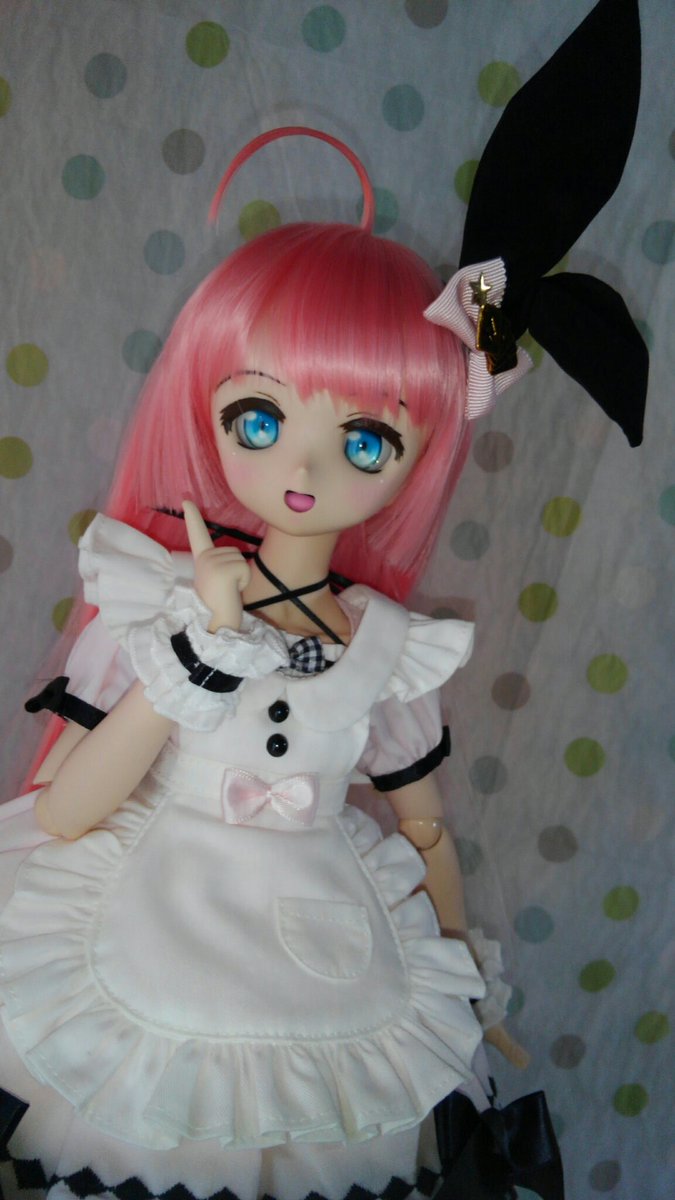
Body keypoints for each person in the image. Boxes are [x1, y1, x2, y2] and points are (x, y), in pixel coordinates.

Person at [0, 130, 512, 1200]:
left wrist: (460, 973)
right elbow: (66, 812)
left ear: (423, 457)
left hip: (324, 947)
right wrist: (202, 647)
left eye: (366, 442)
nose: (304, 466)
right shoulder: (163, 602)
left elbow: (424, 828)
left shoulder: (389, 649)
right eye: (261, 418)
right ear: (207, 408)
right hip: (156, 910)